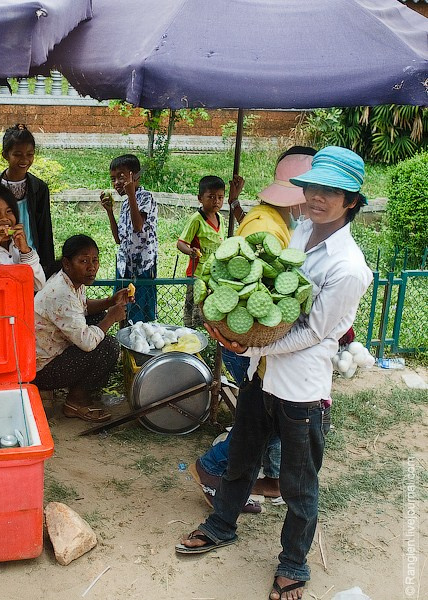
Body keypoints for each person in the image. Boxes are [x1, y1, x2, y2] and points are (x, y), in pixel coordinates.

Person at [176, 147, 372, 600]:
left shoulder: (349, 267)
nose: (317, 198)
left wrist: (250, 344)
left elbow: (316, 331)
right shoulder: (300, 230)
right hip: (262, 376)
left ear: (352, 201)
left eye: (331, 191)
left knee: (298, 485)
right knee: (242, 458)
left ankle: (293, 565)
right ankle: (222, 524)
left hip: (302, 391)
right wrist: (249, 341)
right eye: (313, 187)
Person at [192, 148, 318, 508]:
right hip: (250, 345)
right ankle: (212, 468)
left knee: (266, 422)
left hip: (261, 346)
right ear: (297, 199)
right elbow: (252, 297)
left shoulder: (275, 221)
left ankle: (259, 478)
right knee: (264, 424)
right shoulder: (266, 228)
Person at [33, 234, 133, 423]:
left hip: (48, 355)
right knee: (108, 347)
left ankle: (75, 393)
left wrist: (111, 301)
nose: (92, 267)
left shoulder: (70, 281)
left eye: (95, 260)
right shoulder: (61, 293)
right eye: (84, 261)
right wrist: (112, 316)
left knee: (98, 319)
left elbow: (82, 308)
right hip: (40, 371)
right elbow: (87, 343)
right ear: (67, 263)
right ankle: (75, 401)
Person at [0, 124, 56, 276]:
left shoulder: (39, 188)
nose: (24, 159)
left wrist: (47, 267)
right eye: (17, 154)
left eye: (30, 154)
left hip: (30, 257)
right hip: (1, 258)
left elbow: (44, 230)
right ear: (5, 154)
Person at [177, 174, 243, 328]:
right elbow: (180, 243)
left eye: (220, 197)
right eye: (211, 197)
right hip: (197, 273)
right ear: (200, 198)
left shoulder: (220, 218)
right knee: (192, 310)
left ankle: (205, 335)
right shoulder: (196, 219)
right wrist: (190, 251)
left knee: (207, 309)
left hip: (213, 274)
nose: (216, 201)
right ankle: (189, 336)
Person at [100, 154, 157, 323]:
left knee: (140, 313)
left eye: (121, 177)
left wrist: (131, 194)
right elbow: (119, 239)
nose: (117, 182)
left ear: (135, 176)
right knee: (121, 309)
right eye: (113, 179)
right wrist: (110, 211)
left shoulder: (146, 197)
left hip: (143, 266)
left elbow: (138, 226)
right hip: (124, 265)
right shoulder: (125, 203)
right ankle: (123, 345)